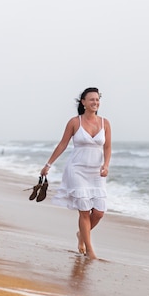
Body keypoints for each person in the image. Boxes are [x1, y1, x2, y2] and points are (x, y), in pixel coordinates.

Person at [40, 87, 112, 259]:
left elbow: (107, 146)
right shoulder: (74, 122)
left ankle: (82, 235)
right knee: (84, 210)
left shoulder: (105, 123)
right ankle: (90, 251)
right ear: (83, 102)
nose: (95, 102)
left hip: (95, 172)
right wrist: (48, 164)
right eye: (92, 99)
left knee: (99, 212)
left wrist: (106, 165)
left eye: (97, 99)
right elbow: (63, 144)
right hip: (76, 169)